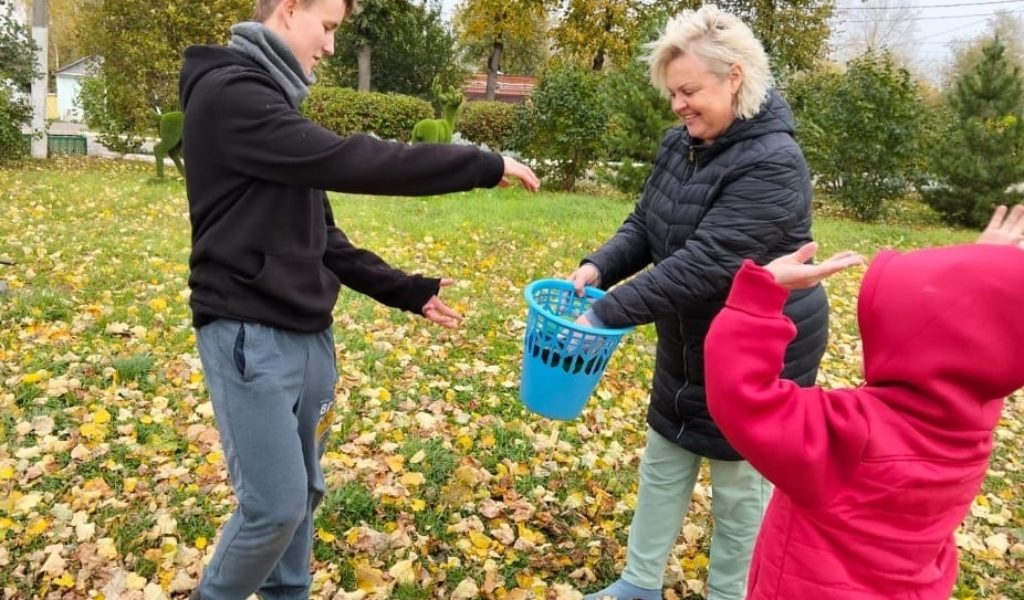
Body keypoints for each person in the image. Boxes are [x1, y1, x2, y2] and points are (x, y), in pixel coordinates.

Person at [178, 0, 539, 598]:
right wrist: (481, 162)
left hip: (307, 333)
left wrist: (407, 291)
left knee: (304, 494)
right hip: (248, 333)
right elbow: (352, 159)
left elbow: (324, 238)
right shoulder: (231, 97)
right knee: (274, 508)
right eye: (327, 28)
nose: (330, 46)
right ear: (288, 10)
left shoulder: (270, 103)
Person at [570, 6, 826, 600]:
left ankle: (732, 593)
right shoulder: (681, 143)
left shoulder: (774, 163)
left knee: (740, 488)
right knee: (665, 459)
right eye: (673, 93)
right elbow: (646, 224)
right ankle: (638, 583)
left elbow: (707, 264)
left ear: (734, 77)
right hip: (688, 337)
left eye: (689, 90)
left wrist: (606, 311)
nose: (679, 105)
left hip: (761, 349)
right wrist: (601, 265)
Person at [704, 204, 1024, 599]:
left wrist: (761, 290)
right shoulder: (972, 428)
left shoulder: (850, 434)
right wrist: (989, 276)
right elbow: (980, 333)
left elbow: (743, 397)